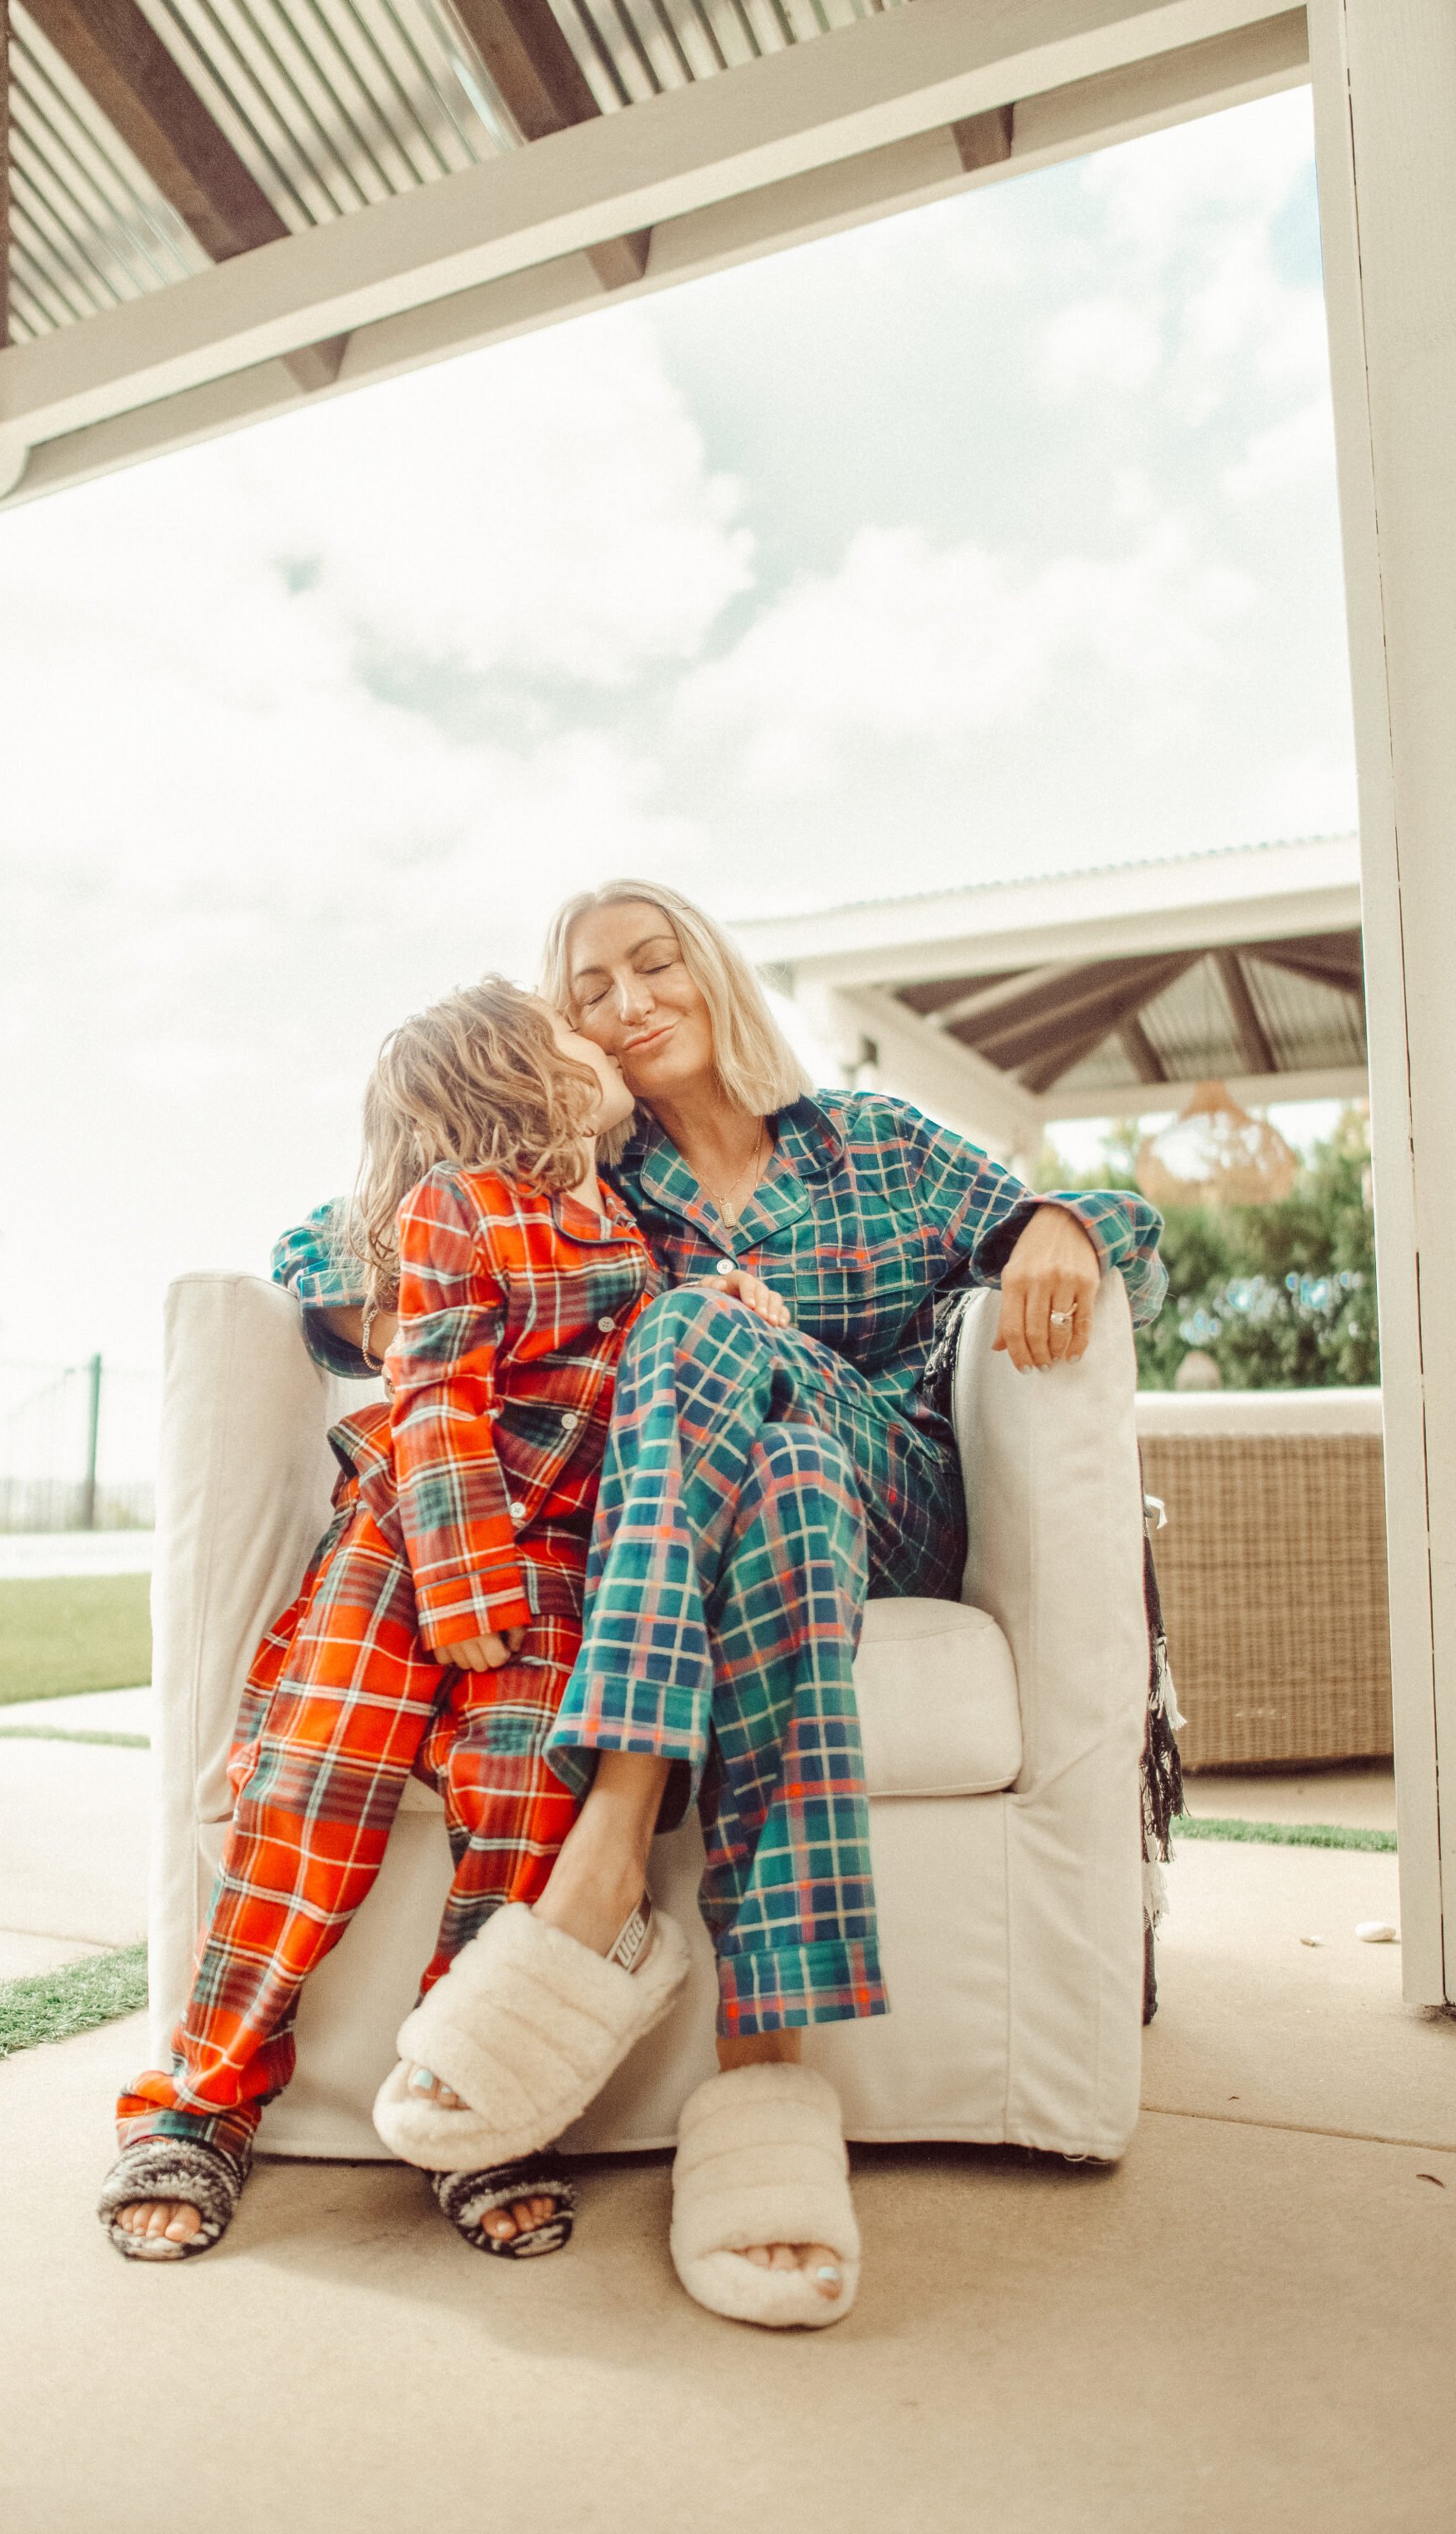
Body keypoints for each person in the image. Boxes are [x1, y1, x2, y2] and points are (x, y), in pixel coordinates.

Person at [366, 881, 1165, 2331]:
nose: (626, 1003)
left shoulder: (868, 1142)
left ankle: (607, 1858)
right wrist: (359, 1289)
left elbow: (1098, 1206)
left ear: (712, 970)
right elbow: (346, 1236)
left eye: (651, 963)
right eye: (588, 988)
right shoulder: (581, 1180)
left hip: (899, 1501)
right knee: (775, 1472)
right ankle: (766, 2076)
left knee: (711, 1342)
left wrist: (1065, 1223)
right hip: (763, 1525)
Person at [100, 976, 786, 2263]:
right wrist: (463, 1576)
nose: (605, 1040)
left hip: (557, 1578)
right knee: (314, 1779)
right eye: (572, 1031)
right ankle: (202, 2099)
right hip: (414, 1541)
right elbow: (435, 1392)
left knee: (529, 1794)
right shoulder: (454, 1208)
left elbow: (672, 1341)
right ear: (524, 1080)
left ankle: (479, 2100)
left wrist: (736, 1298)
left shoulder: (630, 1231)